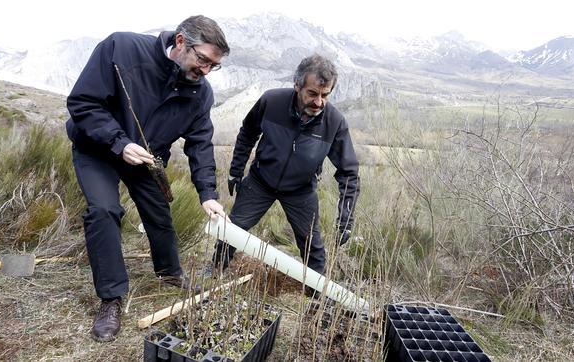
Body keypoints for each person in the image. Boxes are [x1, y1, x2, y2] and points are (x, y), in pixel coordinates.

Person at [66, 15, 229, 342]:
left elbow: (200, 144)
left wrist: (207, 193)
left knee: (159, 215)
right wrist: (119, 142)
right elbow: (82, 103)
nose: (206, 71)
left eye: (214, 66)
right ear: (181, 42)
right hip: (97, 147)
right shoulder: (121, 47)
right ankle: (111, 298)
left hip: (145, 160)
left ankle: (169, 273)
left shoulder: (201, 93)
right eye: (203, 60)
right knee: (104, 211)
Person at [213, 54, 360, 284]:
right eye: (312, 93)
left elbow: (349, 173)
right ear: (297, 85)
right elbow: (247, 132)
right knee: (234, 229)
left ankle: (317, 291)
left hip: (301, 190)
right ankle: (214, 270)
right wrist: (235, 170)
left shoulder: (334, 122)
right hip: (261, 180)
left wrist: (346, 220)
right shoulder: (272, 102)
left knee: (312, 243)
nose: (319, 102)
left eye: (325, 95)